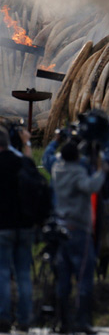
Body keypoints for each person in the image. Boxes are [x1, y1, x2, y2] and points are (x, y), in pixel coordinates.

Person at [53, 139, 106, 334]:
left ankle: (63, 321)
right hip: (79, 230)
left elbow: (56, 158)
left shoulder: (57, 170)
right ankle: (82, 321)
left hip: (61, 228)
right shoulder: (77, 173)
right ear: (76, 157)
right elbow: (91, 186)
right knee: (84, 276)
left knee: (64, 277)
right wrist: (102, 171)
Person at [0, 127, 35, 331]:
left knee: (3, 272)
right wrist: (27, 143)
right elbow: (30, 166)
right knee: (23, 273)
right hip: (25, 226)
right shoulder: (21, 161)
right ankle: (24, 318)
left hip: (3, 226)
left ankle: (4, 317)